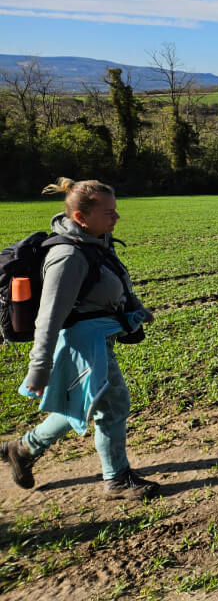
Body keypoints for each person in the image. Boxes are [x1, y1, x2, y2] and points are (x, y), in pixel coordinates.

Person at [0, 178, 160, 500]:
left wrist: (137, 308)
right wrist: (39, 368)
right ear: (81, 218)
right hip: (82, 344)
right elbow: (48, 318)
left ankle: (24, 448)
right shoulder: (67, 257)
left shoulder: (95, 241)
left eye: (115, 211)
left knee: (90, 401)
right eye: (108, 213)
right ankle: (116, 479)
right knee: (113, 404)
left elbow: (115, 282)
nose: (116, 218)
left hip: (97, 339)